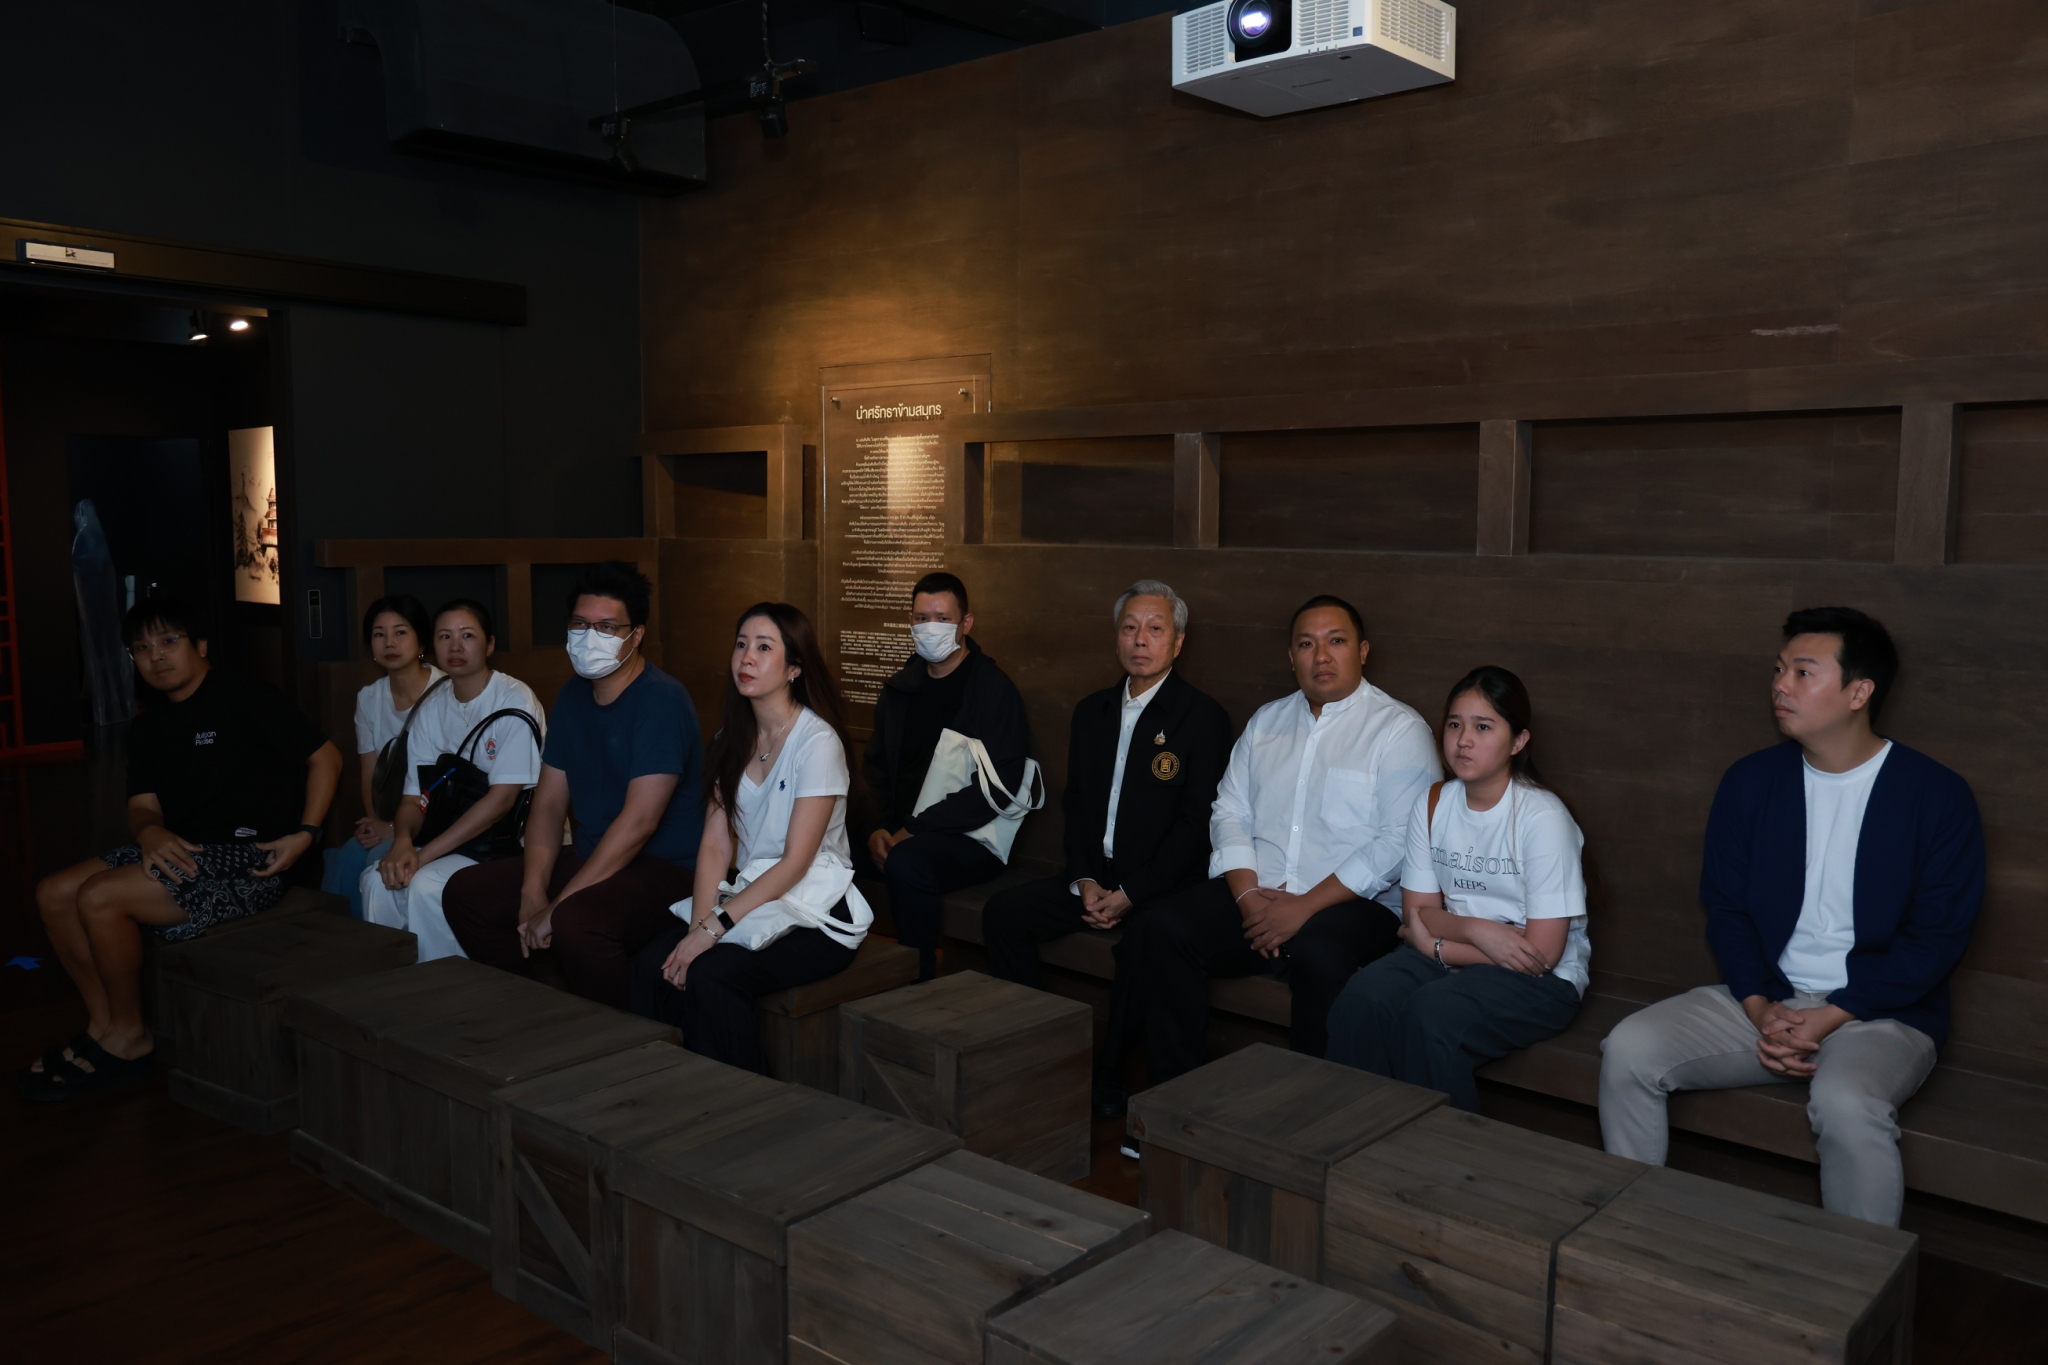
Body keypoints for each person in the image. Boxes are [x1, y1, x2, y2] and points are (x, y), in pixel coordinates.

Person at [1599, 608, 1984, 1227]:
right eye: (1779, 669)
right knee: (1629, 1050)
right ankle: (1628, 1235)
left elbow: (1936, 940)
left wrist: (1830, 1016)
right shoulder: (1751, 782)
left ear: (1859, 692)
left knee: (1846, 1103)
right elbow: (1726, 909)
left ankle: (1856, 1277)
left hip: (1881, 1013)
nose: (1780, 685)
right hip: (1767, 999)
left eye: (1804, 672)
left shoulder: (1936, 796)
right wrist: (1759, 1007)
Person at [21, 598, 342, 1100]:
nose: (156, 656)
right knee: (54, 891)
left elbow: (327, 758)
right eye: (141, 648)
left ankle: (130, 1038)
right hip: (183, 848)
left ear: (201, 646)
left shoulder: (246, 696)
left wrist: (306, 833)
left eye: (169, 641)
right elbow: (142, 807)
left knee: (100, 897)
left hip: (252, 857)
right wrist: (149, 831)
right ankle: (104, 1027)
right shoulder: (149, 727)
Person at [1118, 595, 1439, 1088]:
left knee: (1318, 953)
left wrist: (1304, 907)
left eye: (1336, 641)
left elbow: (1398, 842)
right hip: (1259, 897)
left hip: (1354, 906)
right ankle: (1177, 1096)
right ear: (1292, 657)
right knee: (1158, 928)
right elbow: (1229, 811)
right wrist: (1248, 899)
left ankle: (1309, 1112)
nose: (1321, 656)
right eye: (1306, 645)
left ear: (1363, 651)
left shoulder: (1399, 729)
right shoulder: (1267, 722)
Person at [980, 580, 1230, 1115]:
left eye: (1155, 629)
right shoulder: (1091, 711)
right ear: (1116, 638)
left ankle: (1110, 1076)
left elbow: (1195, 827)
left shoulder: (1201, 717)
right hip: (1095, 877)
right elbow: (1077, 806)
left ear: (1178, 642)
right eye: (1129, 628)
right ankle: (1034, 1047)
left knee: (1144, 943)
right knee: (1003, 914)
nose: (1140, 640)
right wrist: (1086, 879)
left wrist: (1132, 893)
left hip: (1160, 886)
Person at [1326, 666, 1589, 1111]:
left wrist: (1435, 945)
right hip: (1462, 952)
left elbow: (1540, 955)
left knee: (1431, 1016)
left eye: (1482, 727)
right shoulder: (1433, 803)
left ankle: (1438, 1152)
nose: (1463, 740)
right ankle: (1359, 1133)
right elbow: (1418, 913)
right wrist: (1478, 932)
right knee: (1363, 998)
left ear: (1518, 741)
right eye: (1454, 725)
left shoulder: (1542, 818)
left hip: (1543, 981)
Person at [446, 563, 704, 1007]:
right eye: (580, 625)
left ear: (636, 635)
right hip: (592, 854)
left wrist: (556, 905)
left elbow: (639, 823)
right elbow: (548, 806)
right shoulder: (572, 695)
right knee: (467, 894)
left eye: (607, 627)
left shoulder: (661, 700)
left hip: (665, 870)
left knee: (575, 921)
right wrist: (532, 893)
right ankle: (540, 1009)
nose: (590, 637)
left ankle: (629, 1033)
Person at [629, 603, 869, 1070]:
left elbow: (796, 862)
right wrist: (698, 929)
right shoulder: (730, 738)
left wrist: (713, 931)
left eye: (763, 647)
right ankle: (662, 1090)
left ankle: (743, 1101)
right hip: (757, 895)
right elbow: (715, 845)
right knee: (651, 966)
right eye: (741, 645)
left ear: (794, 667)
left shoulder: (817, 743)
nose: (747, 658)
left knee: (711, 976)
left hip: (817, 909)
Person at [862, 571, 1032, 980]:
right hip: (901, 828)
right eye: (922, 618)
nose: (930, 628)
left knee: (907, 862)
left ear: (965, 624)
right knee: (825, 846)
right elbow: (876, 768)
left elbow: (999, 786)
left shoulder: (991, 689)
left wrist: (913, 831)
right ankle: (839, 980)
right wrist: (876, 828)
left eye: (942, 618)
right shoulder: (901, 688)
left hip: (970, 836)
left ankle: (917, 981)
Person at [361, 600, 545, 962]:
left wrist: (422, 856)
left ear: (489, 644)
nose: (455, 646)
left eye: (467, 636)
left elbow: (501, 802)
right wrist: (402, 842)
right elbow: (413, 797)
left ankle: (448, 986)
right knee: (376, 881)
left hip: (507, 844)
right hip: (448, 838)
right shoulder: (432, 706)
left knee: (426, 885)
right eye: (445, 636)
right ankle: (391, 984)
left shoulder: (514, 699)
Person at [321, 595, 441, 919]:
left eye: (400, 632)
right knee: (349, 854)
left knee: (378, 858)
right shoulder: (369, 697)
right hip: (392, 819)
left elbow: (445, 782)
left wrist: (395, 830)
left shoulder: (445, 692)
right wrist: (378, 823)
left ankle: (379, 941)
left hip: (434, 821)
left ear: (421, 641)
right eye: (379, 634)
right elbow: (370, 773)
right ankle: (345, 939)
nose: (389, 642)